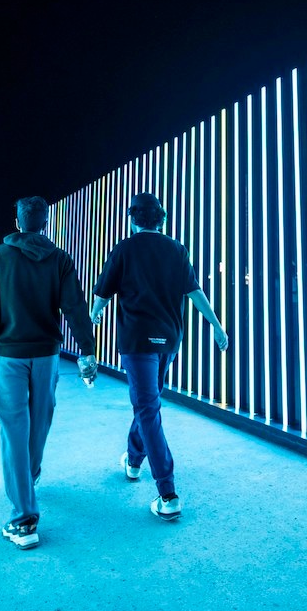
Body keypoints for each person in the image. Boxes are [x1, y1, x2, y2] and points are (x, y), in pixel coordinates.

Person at [90, 192, 228, 522]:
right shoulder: (176, 249)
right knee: (148, 404)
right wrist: (217, 326)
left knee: (147, 407)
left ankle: (168, 492)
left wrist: (94, 313)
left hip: (137, 341)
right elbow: (195, 292)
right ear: (162, 219)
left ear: (132, 219)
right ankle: (134, 460)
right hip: (168, 340)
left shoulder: (124, 249)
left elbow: (103, 291)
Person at [0, 196, 97, 549]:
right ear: (45, 223)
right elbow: (75, 306)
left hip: (9, 356)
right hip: (46, 354)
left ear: (17, 221)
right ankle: (30, 477)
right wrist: (87, 352)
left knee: (14, 428)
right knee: (40, 420)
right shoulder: (59, 259)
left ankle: (23, 520)